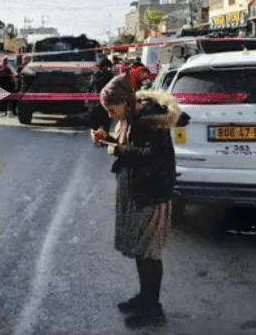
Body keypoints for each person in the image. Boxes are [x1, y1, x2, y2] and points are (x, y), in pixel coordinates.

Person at [91, 74, 181, 328]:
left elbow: (150, 156)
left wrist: (118, 149)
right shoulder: (133, 117)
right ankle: (145, 298)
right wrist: (109, 140)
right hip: (139, 190)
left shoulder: (148, 120)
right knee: (142, 251)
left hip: (151, 194)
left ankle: (153, 309)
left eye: (111, 109)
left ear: (124, 102)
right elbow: (132, 149)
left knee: (149, 253)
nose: (109, 115)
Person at [87, 56, 115, 133]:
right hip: (100, 101)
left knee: (102, 122)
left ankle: (101, 134)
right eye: (105, 66)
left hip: (102, 101)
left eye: (107, 66)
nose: (106, 68)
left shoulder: (107, 76)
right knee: (101, 122)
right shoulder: (98, 76)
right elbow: (90, 87)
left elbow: (90, 87)